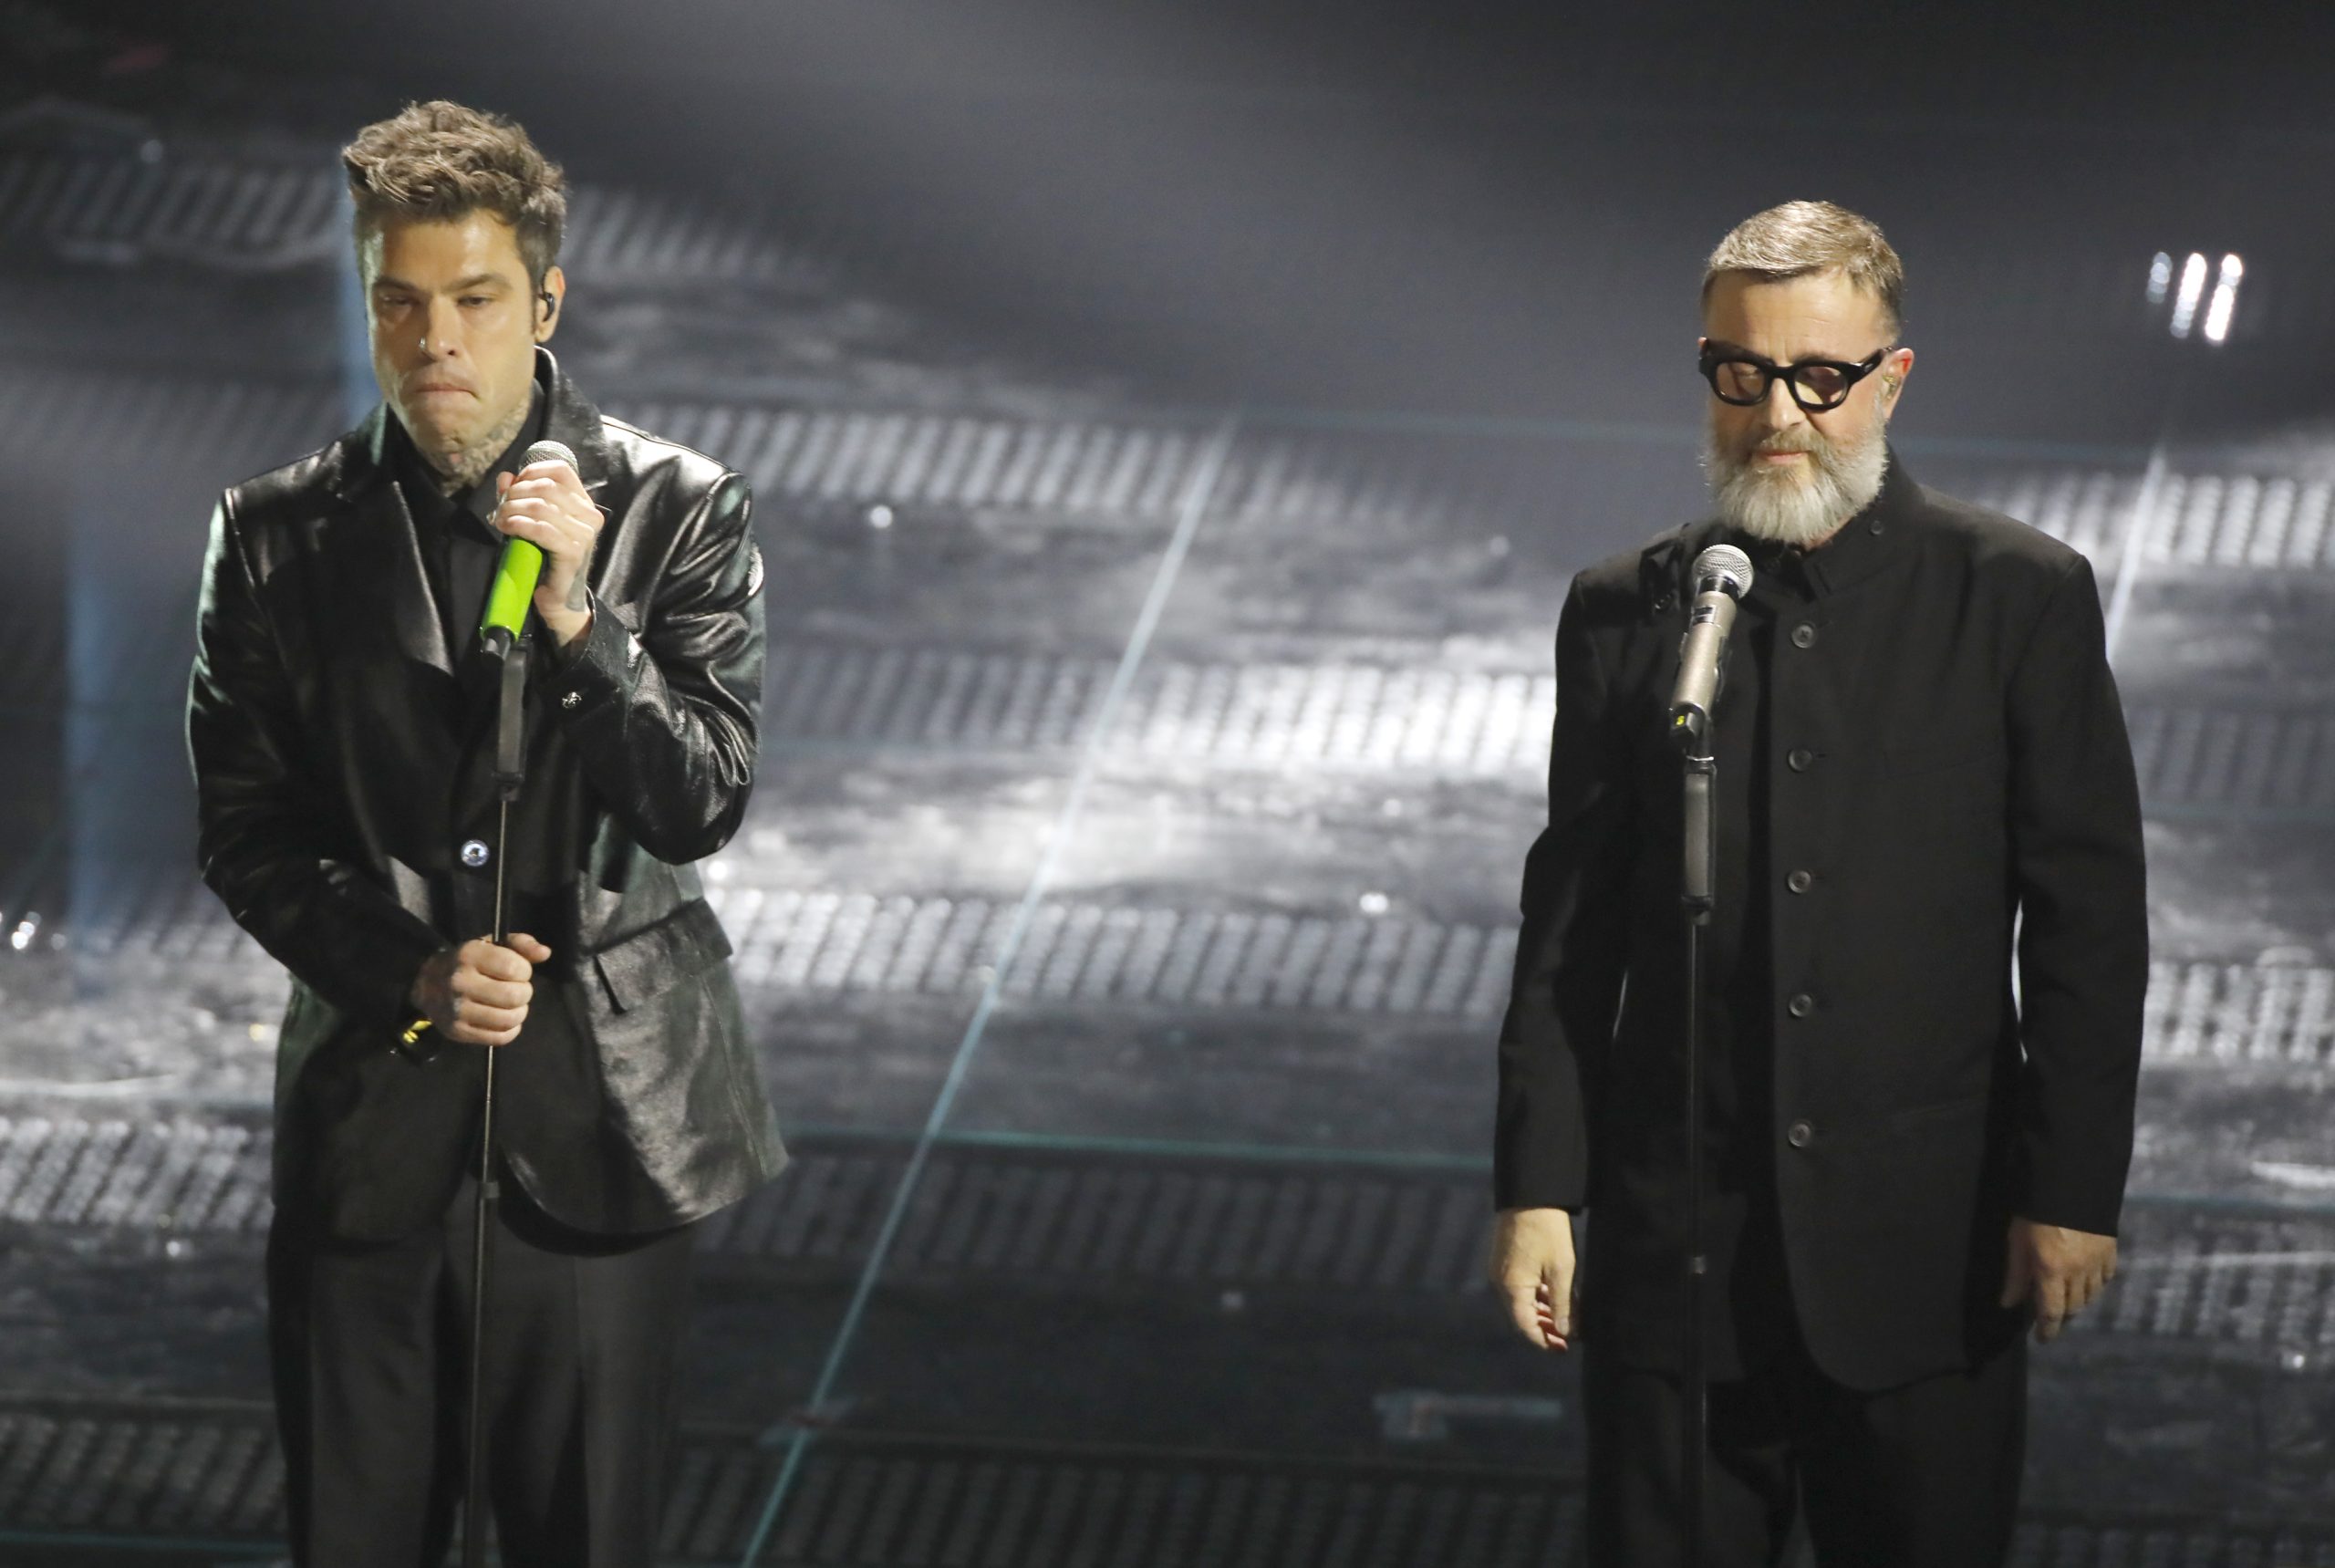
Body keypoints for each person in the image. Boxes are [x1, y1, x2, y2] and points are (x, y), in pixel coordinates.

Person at [1487, 201, 2147, 1565]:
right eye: (1742, 373)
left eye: (1819, 378)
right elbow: (1570, 932)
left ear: (1890, 380)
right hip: (1677, 1268)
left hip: (1929, 1260)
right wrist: (1539, 1188)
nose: (1777, 412)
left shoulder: (2017, 595)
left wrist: (2073, 1188)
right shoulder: (1626, 611)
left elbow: (2088, 923)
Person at [185, 100, 784, 1566]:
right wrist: (407, 974)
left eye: (474, 300)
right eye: (399, 302)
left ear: (545, 303)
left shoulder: (676, 509)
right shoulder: (273, 534)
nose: (433, 341)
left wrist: (580, 619)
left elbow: (697, 799)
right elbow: (247, 832)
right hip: (373, 1126)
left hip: (604, 1130)